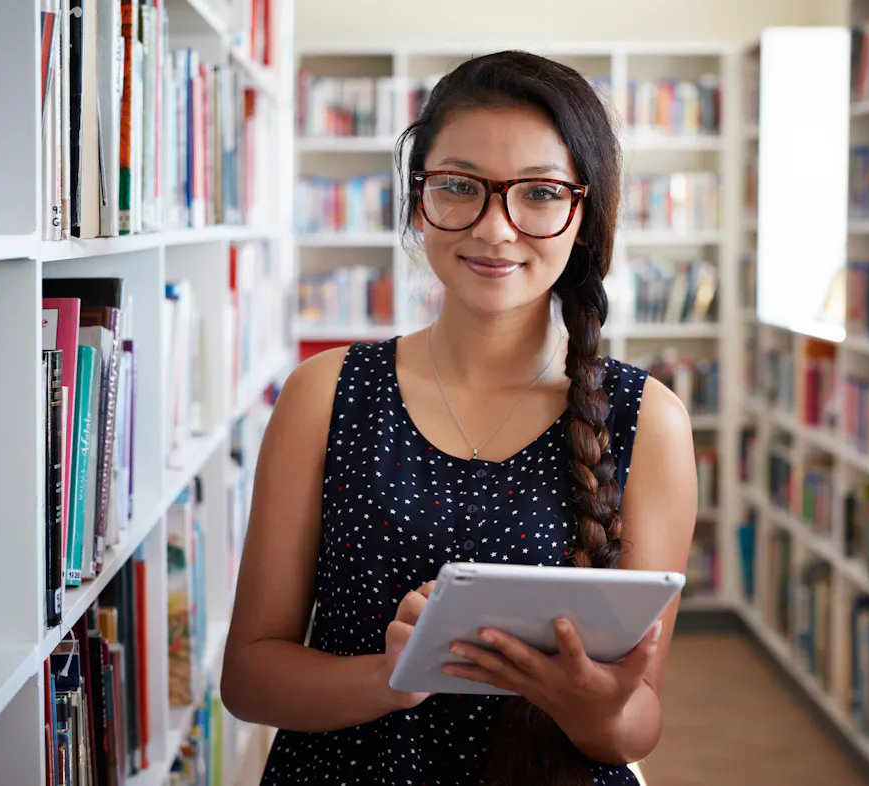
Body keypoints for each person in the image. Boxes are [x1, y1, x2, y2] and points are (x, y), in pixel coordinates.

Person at [220, 49, 699, 785]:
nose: (495, 228)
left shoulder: (646, 420)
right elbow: (249, 679)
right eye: (459, 187)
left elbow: (640, 720)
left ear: (584, 211)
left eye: (538, 193)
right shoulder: (325, 394)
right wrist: (390, 677)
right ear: (419, 198)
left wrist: (593, 707)